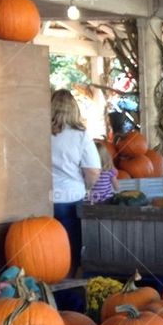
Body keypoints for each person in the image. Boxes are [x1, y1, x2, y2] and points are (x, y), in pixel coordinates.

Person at [51, 88, 100, 274]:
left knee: (46, 246)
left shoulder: (38, 133)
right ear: (74, 109)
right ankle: (68, 281)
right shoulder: (81, 135)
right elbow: (93, 171)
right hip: (71, 198)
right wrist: (88, 187)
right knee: (71, 247)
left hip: (42, 200)